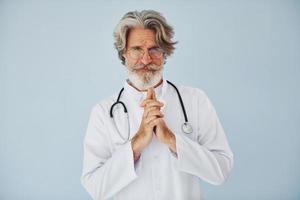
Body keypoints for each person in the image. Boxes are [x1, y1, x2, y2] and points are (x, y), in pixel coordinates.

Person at [81, 10, 234, 200]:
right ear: (124, 53)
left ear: (165, 53)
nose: (146, 60)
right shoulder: (103, 112)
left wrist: (171, 139)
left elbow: (221, 171)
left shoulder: (195, 100)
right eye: (137, 49)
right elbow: (95, 187)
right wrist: (136, 144)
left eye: (154, 49)